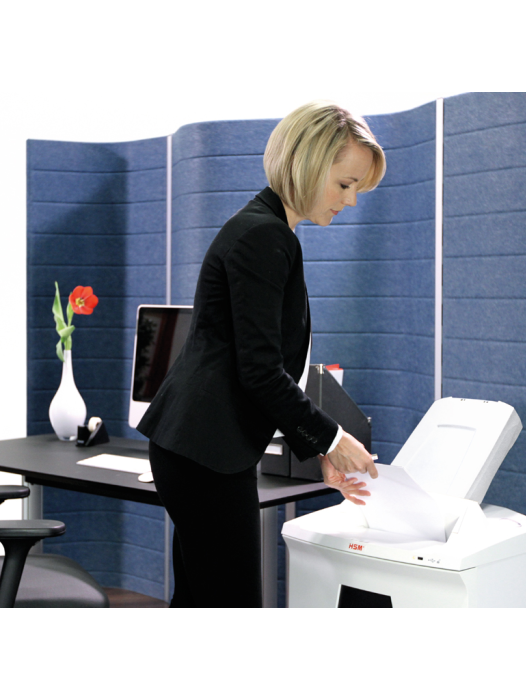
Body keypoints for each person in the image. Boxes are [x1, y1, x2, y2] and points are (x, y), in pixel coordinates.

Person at [137, 101, 387, 607]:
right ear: (307, 164)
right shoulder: (264, 236)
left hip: (195, 449)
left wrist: (319, 448)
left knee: (201, 599)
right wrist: (333, 439)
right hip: (204, 453)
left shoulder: (266, 228)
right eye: (345, 184)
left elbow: (252, 366)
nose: (350, 200)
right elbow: (260, 371)